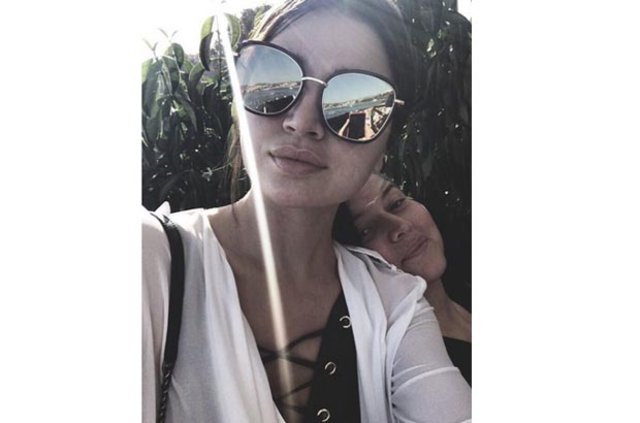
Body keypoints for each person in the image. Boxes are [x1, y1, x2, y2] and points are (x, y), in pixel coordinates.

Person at [143, 1, 471, 422]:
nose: (302, 121)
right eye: (273, 78)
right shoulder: (151, 258)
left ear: (386, 141)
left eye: (353, 105)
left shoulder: (394, 301)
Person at [343, 172, 472, 385]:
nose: (401, 226)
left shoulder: (465, 282)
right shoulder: (407, 372)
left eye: (396, 203)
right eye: (366, 230)